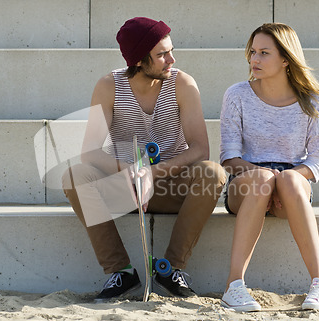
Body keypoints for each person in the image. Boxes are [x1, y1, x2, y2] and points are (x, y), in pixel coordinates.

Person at [62, 17, 226, 302]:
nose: (171, 59)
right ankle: (121, 272)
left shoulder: (182, 83)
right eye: (162, 54)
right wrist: (132, 173)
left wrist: (153, 173)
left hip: (170, 186)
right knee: (74, 175)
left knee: (212, 173)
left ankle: (170, 269)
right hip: (126, 189)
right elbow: (90, 150)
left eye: (170, 50)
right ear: (139, 60)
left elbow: (200, 149)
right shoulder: (109, 85)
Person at [219, 23, 319, 311]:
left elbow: (317, 160)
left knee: (290, 182)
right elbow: (229, 157)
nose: (254, 60)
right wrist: (263, 175)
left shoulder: (313, 101)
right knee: (261, 180)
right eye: (253, 52)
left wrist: (284, 178)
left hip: (291, 187)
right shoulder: (237, 95)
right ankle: (234, 286)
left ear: (286, 59)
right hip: (247, 182)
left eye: (264, 53)